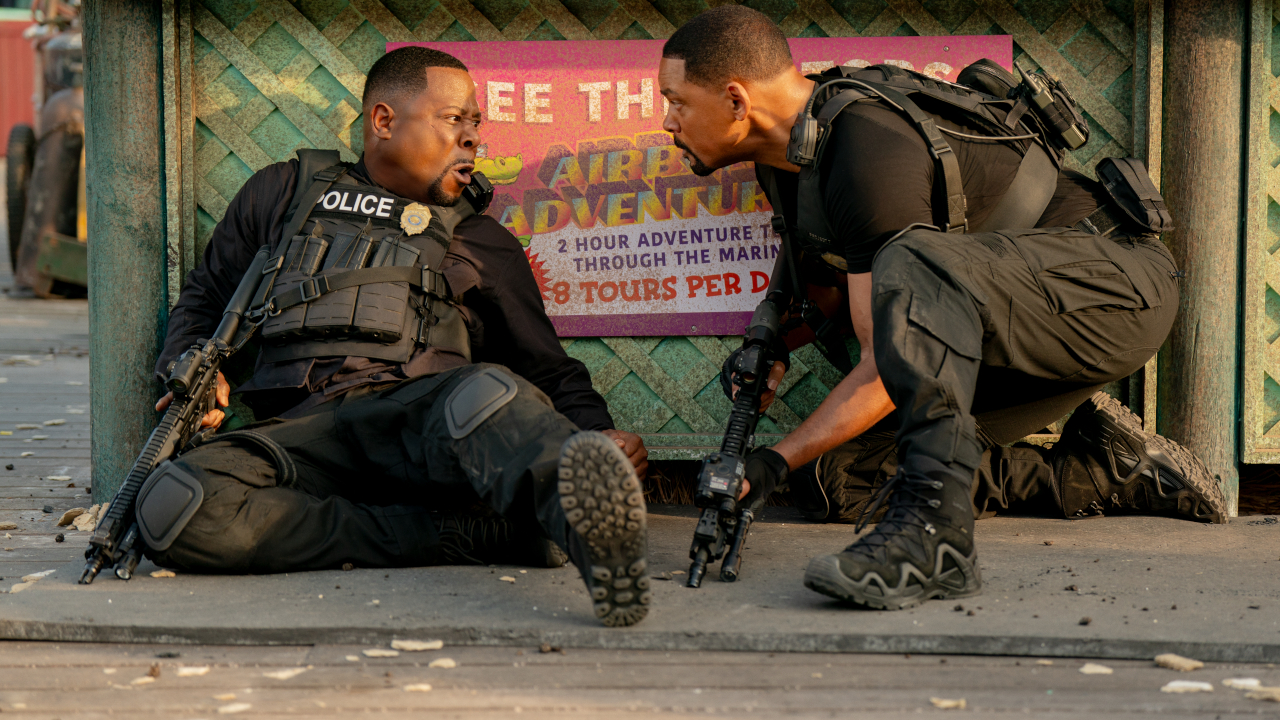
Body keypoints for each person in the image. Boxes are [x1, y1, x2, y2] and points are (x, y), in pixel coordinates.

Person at [658, 6, 1226, 610]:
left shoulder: (863, 145)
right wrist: (771, 349)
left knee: (913, 264)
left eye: (677, 101)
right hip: (1013, 324)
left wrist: (770, 461)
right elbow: (831, 292)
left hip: (1111, 290)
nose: (667, 121)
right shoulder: (789, 159)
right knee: (839, 479)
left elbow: (887, 356)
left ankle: (934, 540)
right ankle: (1106, 470)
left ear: (737, 100)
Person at [141, 47, 653, 627]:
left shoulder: (481, 239)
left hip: (422, 434)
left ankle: (592, 532)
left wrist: (599, 438)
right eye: (453, 120)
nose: (472, 141)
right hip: (302, 440)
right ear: (383, 122)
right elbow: (205, 297)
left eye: (476, 125)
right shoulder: (285, 192)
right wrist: (190, 366)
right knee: (174, 508)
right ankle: (466, 538)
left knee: (486, 392)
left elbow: (548, 370)